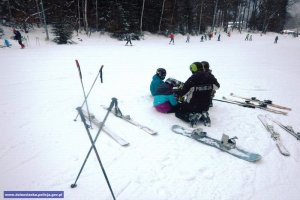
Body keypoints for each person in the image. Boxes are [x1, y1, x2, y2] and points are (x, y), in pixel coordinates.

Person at [174, 62, 220, 127]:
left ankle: (192, 117)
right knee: (199, 108)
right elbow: (217, 87)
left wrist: (176, 92)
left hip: (193, 105)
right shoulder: (210, 76)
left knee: (179, 112)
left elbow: (182, 93)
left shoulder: (193, 78)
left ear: (193, 69)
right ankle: (203, 115)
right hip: (206, 106)